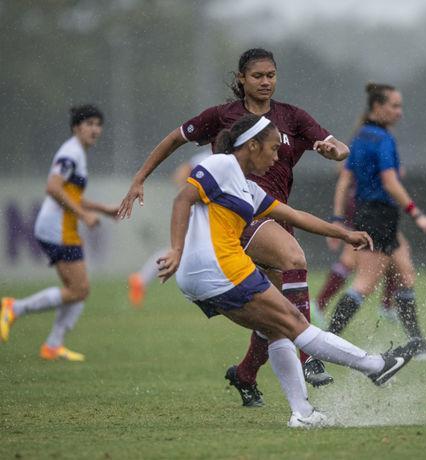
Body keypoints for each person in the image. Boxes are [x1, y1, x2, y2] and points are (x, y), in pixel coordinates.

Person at [116, 48, 350, 405]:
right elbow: (173, 139)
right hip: (240, 217)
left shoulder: (292, 117)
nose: (266, 82)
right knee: (294, 257)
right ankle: (309, 357)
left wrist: (334, 150)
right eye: (258, 76)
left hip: (275, 214)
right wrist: (139, 178)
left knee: (273, 313)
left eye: (271, 75)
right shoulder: (222, 116)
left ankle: (244, 374)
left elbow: (338, 146)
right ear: (241, 78)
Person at [158, 114, 419, 428]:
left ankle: (304, 415)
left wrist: (344, 234)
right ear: (251, 146)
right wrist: (175, 249)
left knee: (277, 329)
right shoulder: (222, 165)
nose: (276, 156)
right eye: (271, 149)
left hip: (207, 276)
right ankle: (375, 365)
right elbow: (182, 200)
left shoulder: (247, 188)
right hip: (220, 268)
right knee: (295, 322)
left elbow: (294, 215)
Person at [327, 83, 426, 361]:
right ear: (377, 107)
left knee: (405, 274)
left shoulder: (360, 137)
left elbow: (345, 180)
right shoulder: (383, 139)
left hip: (374, 215)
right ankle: (322, 347)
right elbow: (389, 181)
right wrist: (416, 213)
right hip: (378, 216)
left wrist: (338, 219)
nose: (400, 112)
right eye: (394, 106)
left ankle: (417, 343)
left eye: (400, 106)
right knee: (364, 283)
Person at [1, 105, 118, 360]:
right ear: (76, 127)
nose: (95, 129)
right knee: (79, 290)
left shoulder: (77, 153)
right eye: (89, 123)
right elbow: (53, 188)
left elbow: (70, 193)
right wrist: (84, 215)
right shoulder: (71, 153)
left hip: (63, 227)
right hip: (58, 228)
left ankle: (53, 344)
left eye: (99, 124)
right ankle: (14, 307)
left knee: (77, 289)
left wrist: (102, 209)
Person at [313, 167, 402, 325]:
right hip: (366, 213)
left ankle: (387, 305)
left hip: (371, 213)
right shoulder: (366, 152)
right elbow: (342, 173)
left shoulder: (369, 158)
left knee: (396, 261)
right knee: (352, 264)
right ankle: (321, 310)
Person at [127, 150, 210, 308]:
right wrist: (188, 198)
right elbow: (180, 174)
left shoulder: (221, 158)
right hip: (199, 214)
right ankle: (140, 279)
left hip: (208, 215)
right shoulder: (206, 158)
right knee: (182, 250)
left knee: (186, 251)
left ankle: (140, 279)